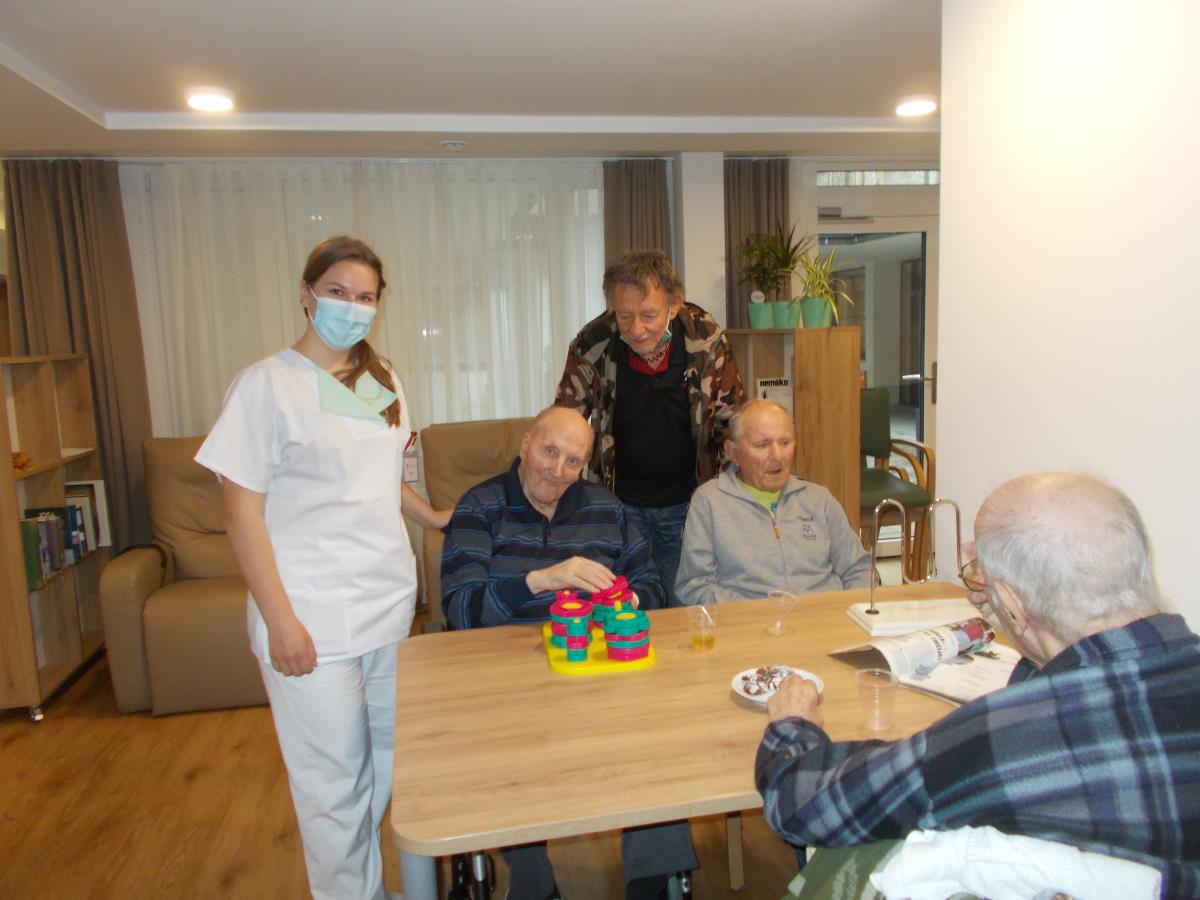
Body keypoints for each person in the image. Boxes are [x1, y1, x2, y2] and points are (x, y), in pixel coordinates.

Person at [755, 473, 1200, 896]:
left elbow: (801, 803)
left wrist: (792, 724)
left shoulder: (1001, 739)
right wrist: (1025, 627)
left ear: (1010, 601)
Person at [195, 236, 450, 900]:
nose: (351, 307)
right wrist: (280, 622)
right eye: (338, 292)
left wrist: (433, 517)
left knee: (387, 764)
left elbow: (382, 475)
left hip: (386, 606)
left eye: (365, 297)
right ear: (306, 294)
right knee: (332, 787)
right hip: (310, 619)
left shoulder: (378, 378)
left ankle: (365, 889)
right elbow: (241, 515)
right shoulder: (265, 385)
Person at [441, 406, 695, 900]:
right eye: (549, 451)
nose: (557, 471)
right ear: (525, 445)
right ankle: (533, 884)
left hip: (598, 666)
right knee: (510, 748)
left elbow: (652, 584)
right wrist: (541, 579)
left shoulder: (605, 507)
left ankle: (656, 878)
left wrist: (624, 602)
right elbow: (462, 610)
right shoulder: (479, 508)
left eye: (573, 461)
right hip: (508, 678)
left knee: (655, 738)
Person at [555, 250, 745, 607]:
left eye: (648, 316)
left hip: (688, 502)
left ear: (674, 305)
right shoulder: (593, 343)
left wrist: (734, 499)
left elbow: (732, 423)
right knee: (625, 608)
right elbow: (566, 421)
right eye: (624, 316)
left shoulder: (706, 340)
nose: (636, 329)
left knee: (682, 607)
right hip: (620, 503)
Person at [675, 399, 871, 605]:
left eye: (785, 443)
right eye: (762, 445)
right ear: (733, 452)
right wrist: (758, 613)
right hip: (748, 620)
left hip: (824, 616)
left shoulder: (818, 499)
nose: (777, 456)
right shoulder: (709, 502)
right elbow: (694, 586)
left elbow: (859, 568)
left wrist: (845, 610)